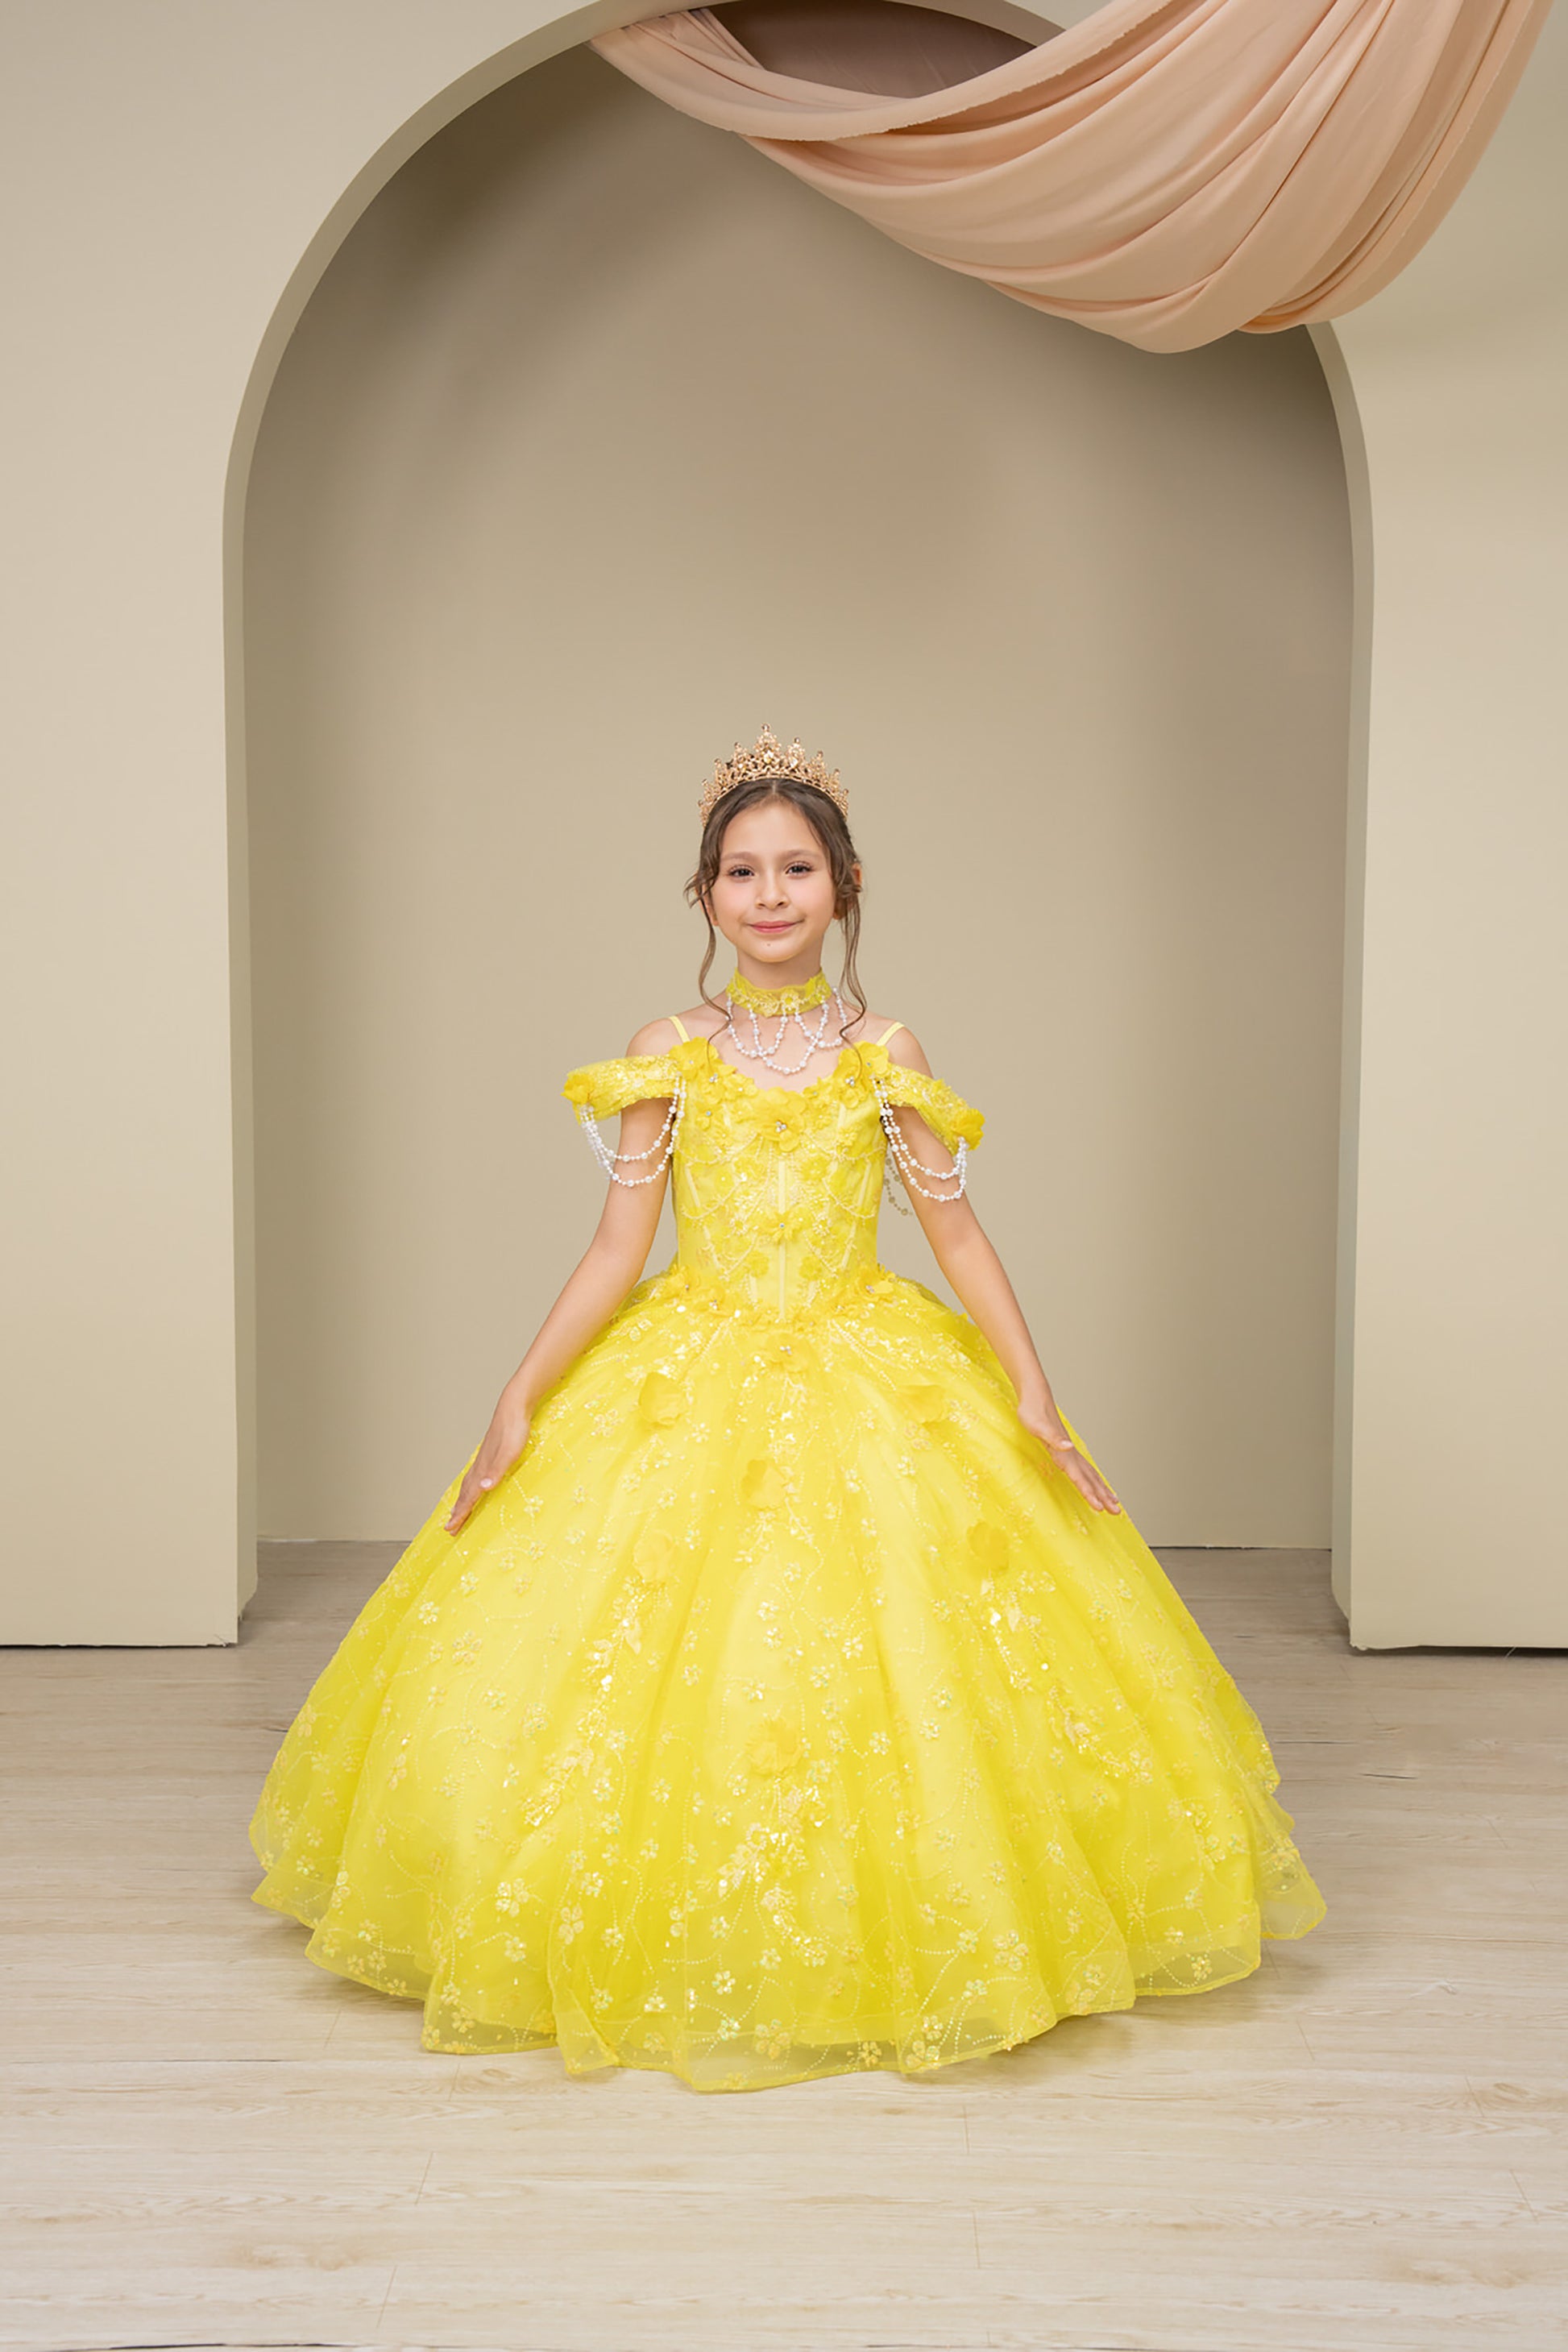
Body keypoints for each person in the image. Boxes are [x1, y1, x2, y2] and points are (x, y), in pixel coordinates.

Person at [251, 726, 1324, 2093]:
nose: (769, 894)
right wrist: (516, 1398)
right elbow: (613, 1249)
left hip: (866, 1357)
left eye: (796, 868)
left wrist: (1033, 1386)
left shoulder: (885, 1050)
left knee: (915, 1657)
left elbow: (959, 1238)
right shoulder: (666, 1053)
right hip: (688, 1358)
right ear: (703, 896)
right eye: (741, 872)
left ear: (845, 884)